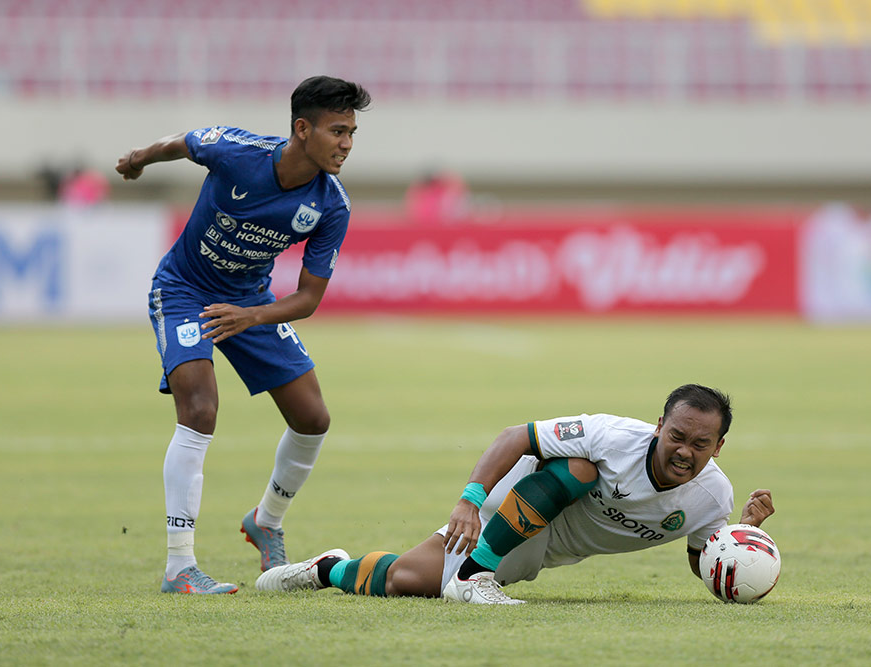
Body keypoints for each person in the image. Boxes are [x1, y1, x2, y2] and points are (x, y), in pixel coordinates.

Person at [115, 76, 371, 594]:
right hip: (185, 288)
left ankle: (267, 521)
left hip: (248, 303)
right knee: (201, 408)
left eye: (352, 132)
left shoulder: (331, 205)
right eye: (337, 131)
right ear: (302, 129)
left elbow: (309, 298)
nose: (346, 143)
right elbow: (181, 143)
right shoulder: (237, 151)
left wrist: (249, 316)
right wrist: (139, 158)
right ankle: (179, 566)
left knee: (313, 418)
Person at [256, 384, 775, 604]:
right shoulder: (613, 436)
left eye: (699, 444)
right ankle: (474, 575)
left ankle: (326, 568)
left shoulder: (712, 498)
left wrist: (742, 535)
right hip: (518, 500)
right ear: (658, 425)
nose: (684, 451)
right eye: (676, 436)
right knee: (579, 469)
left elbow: (702, 563)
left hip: (541, 547)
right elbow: (515, 436)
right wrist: (468, 500)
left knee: (402, 581)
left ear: (719, 446)